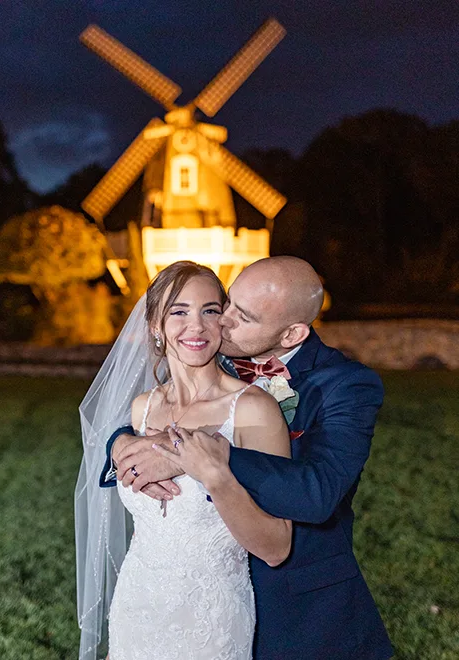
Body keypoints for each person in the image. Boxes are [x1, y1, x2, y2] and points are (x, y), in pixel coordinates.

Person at [103, 256, 394, 660]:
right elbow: (152, 415)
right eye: (227, 304)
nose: (219, 322)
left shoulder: (344, 386)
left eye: (241, 315)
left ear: (291, 333)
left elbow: (318, 492)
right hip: (153, 600)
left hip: (296, 608)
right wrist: (118, 445)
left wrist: (197, 457)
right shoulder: (209, 351)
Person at [76, 261, 294, 660]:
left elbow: (276, 547)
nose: (196, 325)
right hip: (136, 607)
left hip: (210, 621)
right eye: (179, 311)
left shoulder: (251, 410)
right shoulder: (143, 409)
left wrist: (213, 474)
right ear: (156, 325)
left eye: (210, 310)